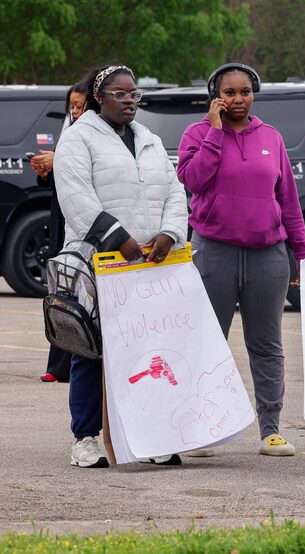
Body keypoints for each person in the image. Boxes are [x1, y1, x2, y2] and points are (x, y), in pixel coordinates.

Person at [54, 64, 189, 468]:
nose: (130, 101)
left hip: (148, 265)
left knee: (146, 349)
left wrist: (169, 232)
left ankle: (148, 437)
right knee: (91, 351)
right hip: (101, 261)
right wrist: (118, 239)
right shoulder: (78, 140)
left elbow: (175, 191)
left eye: (134, 95)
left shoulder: (149, 140)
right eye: (120, 94)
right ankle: (85, 437)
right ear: (100, 97)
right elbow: (76, 199)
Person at [177, 63, 305, 457]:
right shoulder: (197, 134)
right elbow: (193, 180)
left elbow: (287, 199)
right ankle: (202, 430)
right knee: (208, 343)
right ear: (215, 95)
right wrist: (216, 133)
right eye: (229, 92)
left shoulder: (270, 136)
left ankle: (270, 429)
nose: (238, 99)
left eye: (245, 91)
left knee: (266, 344)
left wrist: (301, 253)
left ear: (254, 94)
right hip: (214, 250)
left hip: (267, 255)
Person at [32, 80, 88, 383]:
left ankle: (74, 363)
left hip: (86, 229)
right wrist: (47, 172)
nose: (76, 111)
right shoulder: (71, 132)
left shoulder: (101, 135)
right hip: (62, 222)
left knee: (83, 297)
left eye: (81, 105)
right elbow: (63, 184)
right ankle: (58, 366)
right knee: (60, 292)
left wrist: (59, 160)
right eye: (72, 106)